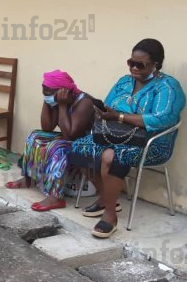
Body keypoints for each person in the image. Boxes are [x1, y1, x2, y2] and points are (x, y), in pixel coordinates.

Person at [71, 39, 185, 238]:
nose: (133, 68)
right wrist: (102, 112)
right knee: (80, 148)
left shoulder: (168, 87)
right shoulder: (124, 81)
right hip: (114, 135)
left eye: (140, 65)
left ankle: (110, 216)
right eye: (131, 63)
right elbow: (109, 105)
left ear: (156, 64)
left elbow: (163, 119)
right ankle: (106, 199)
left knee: (112, 156)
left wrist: (120, 117)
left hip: (151, 143)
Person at [6, 70, 95, 211]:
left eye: (49, 93)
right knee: (34, 136)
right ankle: (30, 178)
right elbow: (47, 127)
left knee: (57, 148)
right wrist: (48, 102)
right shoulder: (56, 100)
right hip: (68, 137)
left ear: (64, 91)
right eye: (44, 92)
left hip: (85, 143)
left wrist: (62, 105)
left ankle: (55, 197)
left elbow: (70, 135)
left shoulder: (84, 102)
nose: (46, 96)